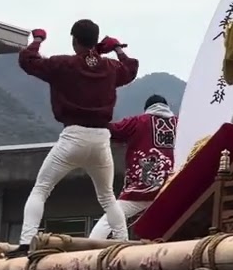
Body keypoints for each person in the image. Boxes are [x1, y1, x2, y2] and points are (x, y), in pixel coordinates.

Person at [11, 20, 138, 255]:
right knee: (108, 197)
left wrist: (37, 39)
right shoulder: (109, 67)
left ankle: (27, 242)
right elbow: (129, 69)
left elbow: (28, 61)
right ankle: (124, 243)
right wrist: (118, 48)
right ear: (96, 40)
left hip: (73, 137)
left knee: (41, 189)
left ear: (74, 40)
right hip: (101, 139)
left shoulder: (64, 64)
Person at [88, 94, 177, 239]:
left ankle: (89, 248)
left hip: (141, 189)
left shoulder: (138, 122)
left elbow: (111, 130)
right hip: (170, 189)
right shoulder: (180, 124)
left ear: (147, 109)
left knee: (111, 218)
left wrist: (92, 115)